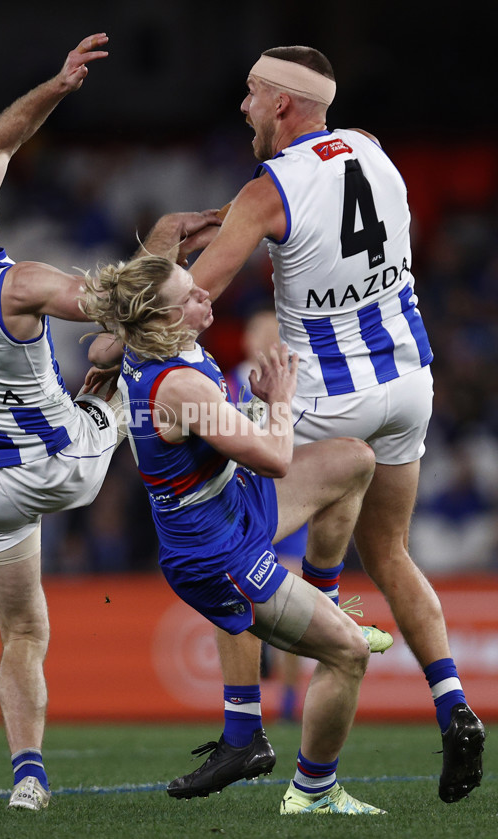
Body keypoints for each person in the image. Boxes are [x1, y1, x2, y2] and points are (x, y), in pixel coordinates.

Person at [141, 46, 485, 805]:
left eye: (253, 95)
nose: (243, 107)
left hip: (324, 395)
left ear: (284, 107)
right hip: (406, 381)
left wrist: (142, 282)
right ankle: (452, 698)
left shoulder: (269, 189)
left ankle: (243, 732)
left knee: (226, 537)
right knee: (389, 551)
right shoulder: (373, 149)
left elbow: (184, 300)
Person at [0, 33, 218, 812]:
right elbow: (126, 299)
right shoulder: (24, 283)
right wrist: (167, 243)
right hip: (66, 461)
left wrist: (57, 86)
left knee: (22, 630)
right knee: (134, 347)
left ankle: (28, 781)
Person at [83, 253, 387, 815]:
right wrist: (277, 401)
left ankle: (318, 613)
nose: (204, 296)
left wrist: (109, 353)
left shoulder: (140, 342)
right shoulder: (181, 390)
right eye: (189, 296)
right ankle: (314, 791)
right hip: (216, 551)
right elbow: (273, 457)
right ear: (165, 321)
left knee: (354, 461)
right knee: (347, 654)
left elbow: (104, 345)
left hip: (229, 504)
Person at [226, 303, 308, 721]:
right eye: (258, 333)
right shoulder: (219, 386)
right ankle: (246, 700)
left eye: (272, 334)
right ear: (246, 340)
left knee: (292, 604)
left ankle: (291, 699)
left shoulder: (294, 385)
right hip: (238, 507)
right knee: (242, 604)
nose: (265, 341)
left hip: (282, 500)